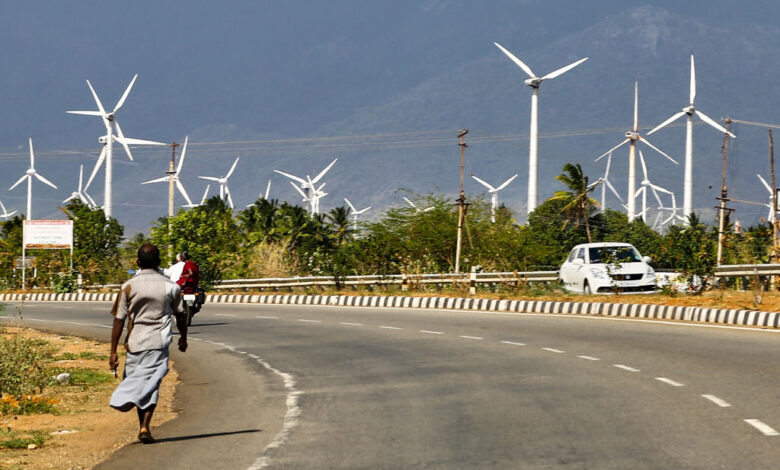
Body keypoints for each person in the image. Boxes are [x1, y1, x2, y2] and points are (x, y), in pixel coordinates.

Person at [109, 243, 188, 444]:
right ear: (159, 262)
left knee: (138, 381)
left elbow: (119, 319)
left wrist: (113, 351)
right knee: (151, 383)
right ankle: (144, 426)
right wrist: (183, 337)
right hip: (158, 343)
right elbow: (181, 314)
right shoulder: (171, 287)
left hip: (135, 343)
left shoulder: (128, 286)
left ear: (137, 262)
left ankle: (135, 413)